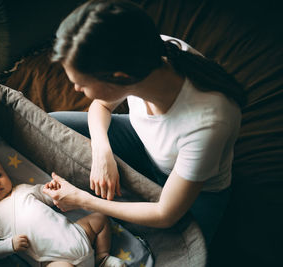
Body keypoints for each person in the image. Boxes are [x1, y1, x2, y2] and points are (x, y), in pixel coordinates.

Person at [47, 0, 245, 246]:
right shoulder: (145, 55)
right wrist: (102, 151)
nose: (76, 89)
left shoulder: (208, 123)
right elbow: (101, 105)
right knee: (53, 127)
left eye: (82, 84)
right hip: (142, 141)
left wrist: (81, 199)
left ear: (120, 79)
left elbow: (166, 214)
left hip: (198, 192)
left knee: (183, 250)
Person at [0, 154, 126, 267]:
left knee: (100, 217)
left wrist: (52, 190)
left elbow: (48, 196)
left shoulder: (22, 189)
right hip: (54, 260)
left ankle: (102, 258)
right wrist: (9, 245)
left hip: (77, 234)